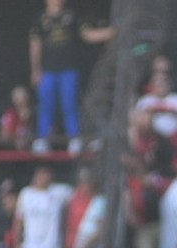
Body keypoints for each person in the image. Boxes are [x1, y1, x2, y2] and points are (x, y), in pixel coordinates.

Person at [29, 0, 114, 153]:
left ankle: (74, 139)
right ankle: (43, 139)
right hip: (48, 70)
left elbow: (87, 35)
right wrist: (36, 69)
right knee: (46, 105)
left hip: (68, 69)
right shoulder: (39, 19)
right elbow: (35, 45)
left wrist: (110, 33)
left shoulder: (72, 16)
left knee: (70, 104)